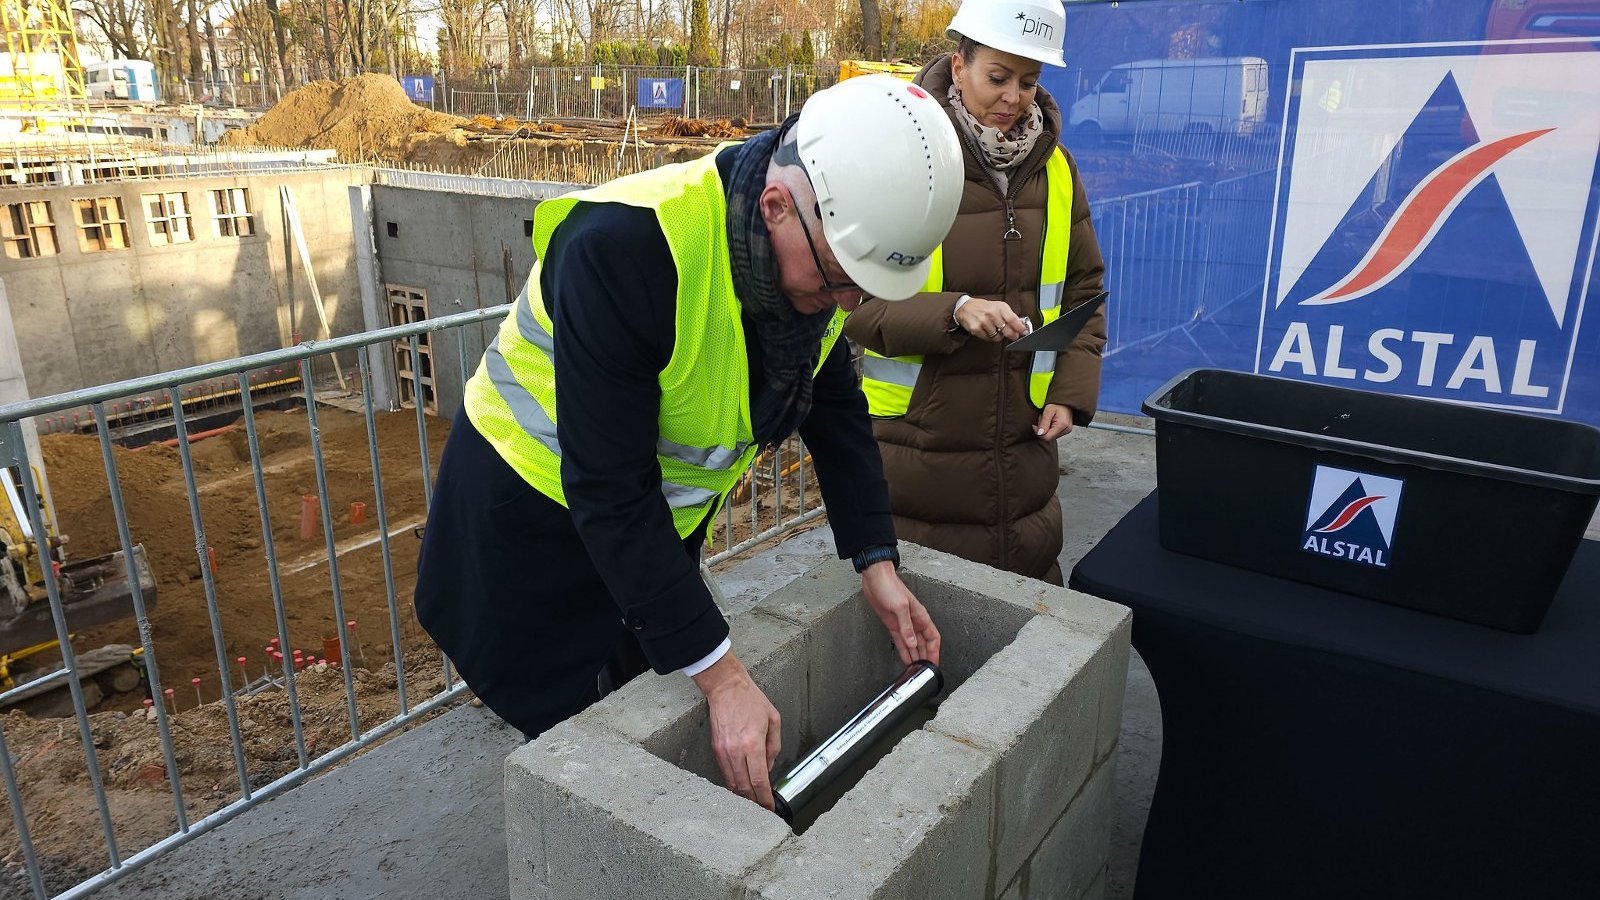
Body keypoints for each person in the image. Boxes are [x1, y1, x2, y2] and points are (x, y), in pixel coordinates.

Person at [413, 75, 965, 812]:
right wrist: (725, 676)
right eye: (840, 283)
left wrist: (876, 561)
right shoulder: (625, 250)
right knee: (569, 740)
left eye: (862, 291)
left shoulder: (810, 272)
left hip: (648, 532)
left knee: (644, 692)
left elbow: (837, 413)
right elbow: (610, 489)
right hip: (526, 523)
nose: (846, 307)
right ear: (776, 207)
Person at [843, 0, 1108, 585]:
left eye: (1030, 81)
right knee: (928, 622)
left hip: (1026, 451)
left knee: (1025, 625)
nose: (1015, 97)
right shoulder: (903, 160)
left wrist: (1069, 392)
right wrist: (955, 311)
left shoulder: (1057, 170)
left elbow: (1085, 290)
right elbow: (852, 299)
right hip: (921, 454)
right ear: (958, 65)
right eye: (998, 77)